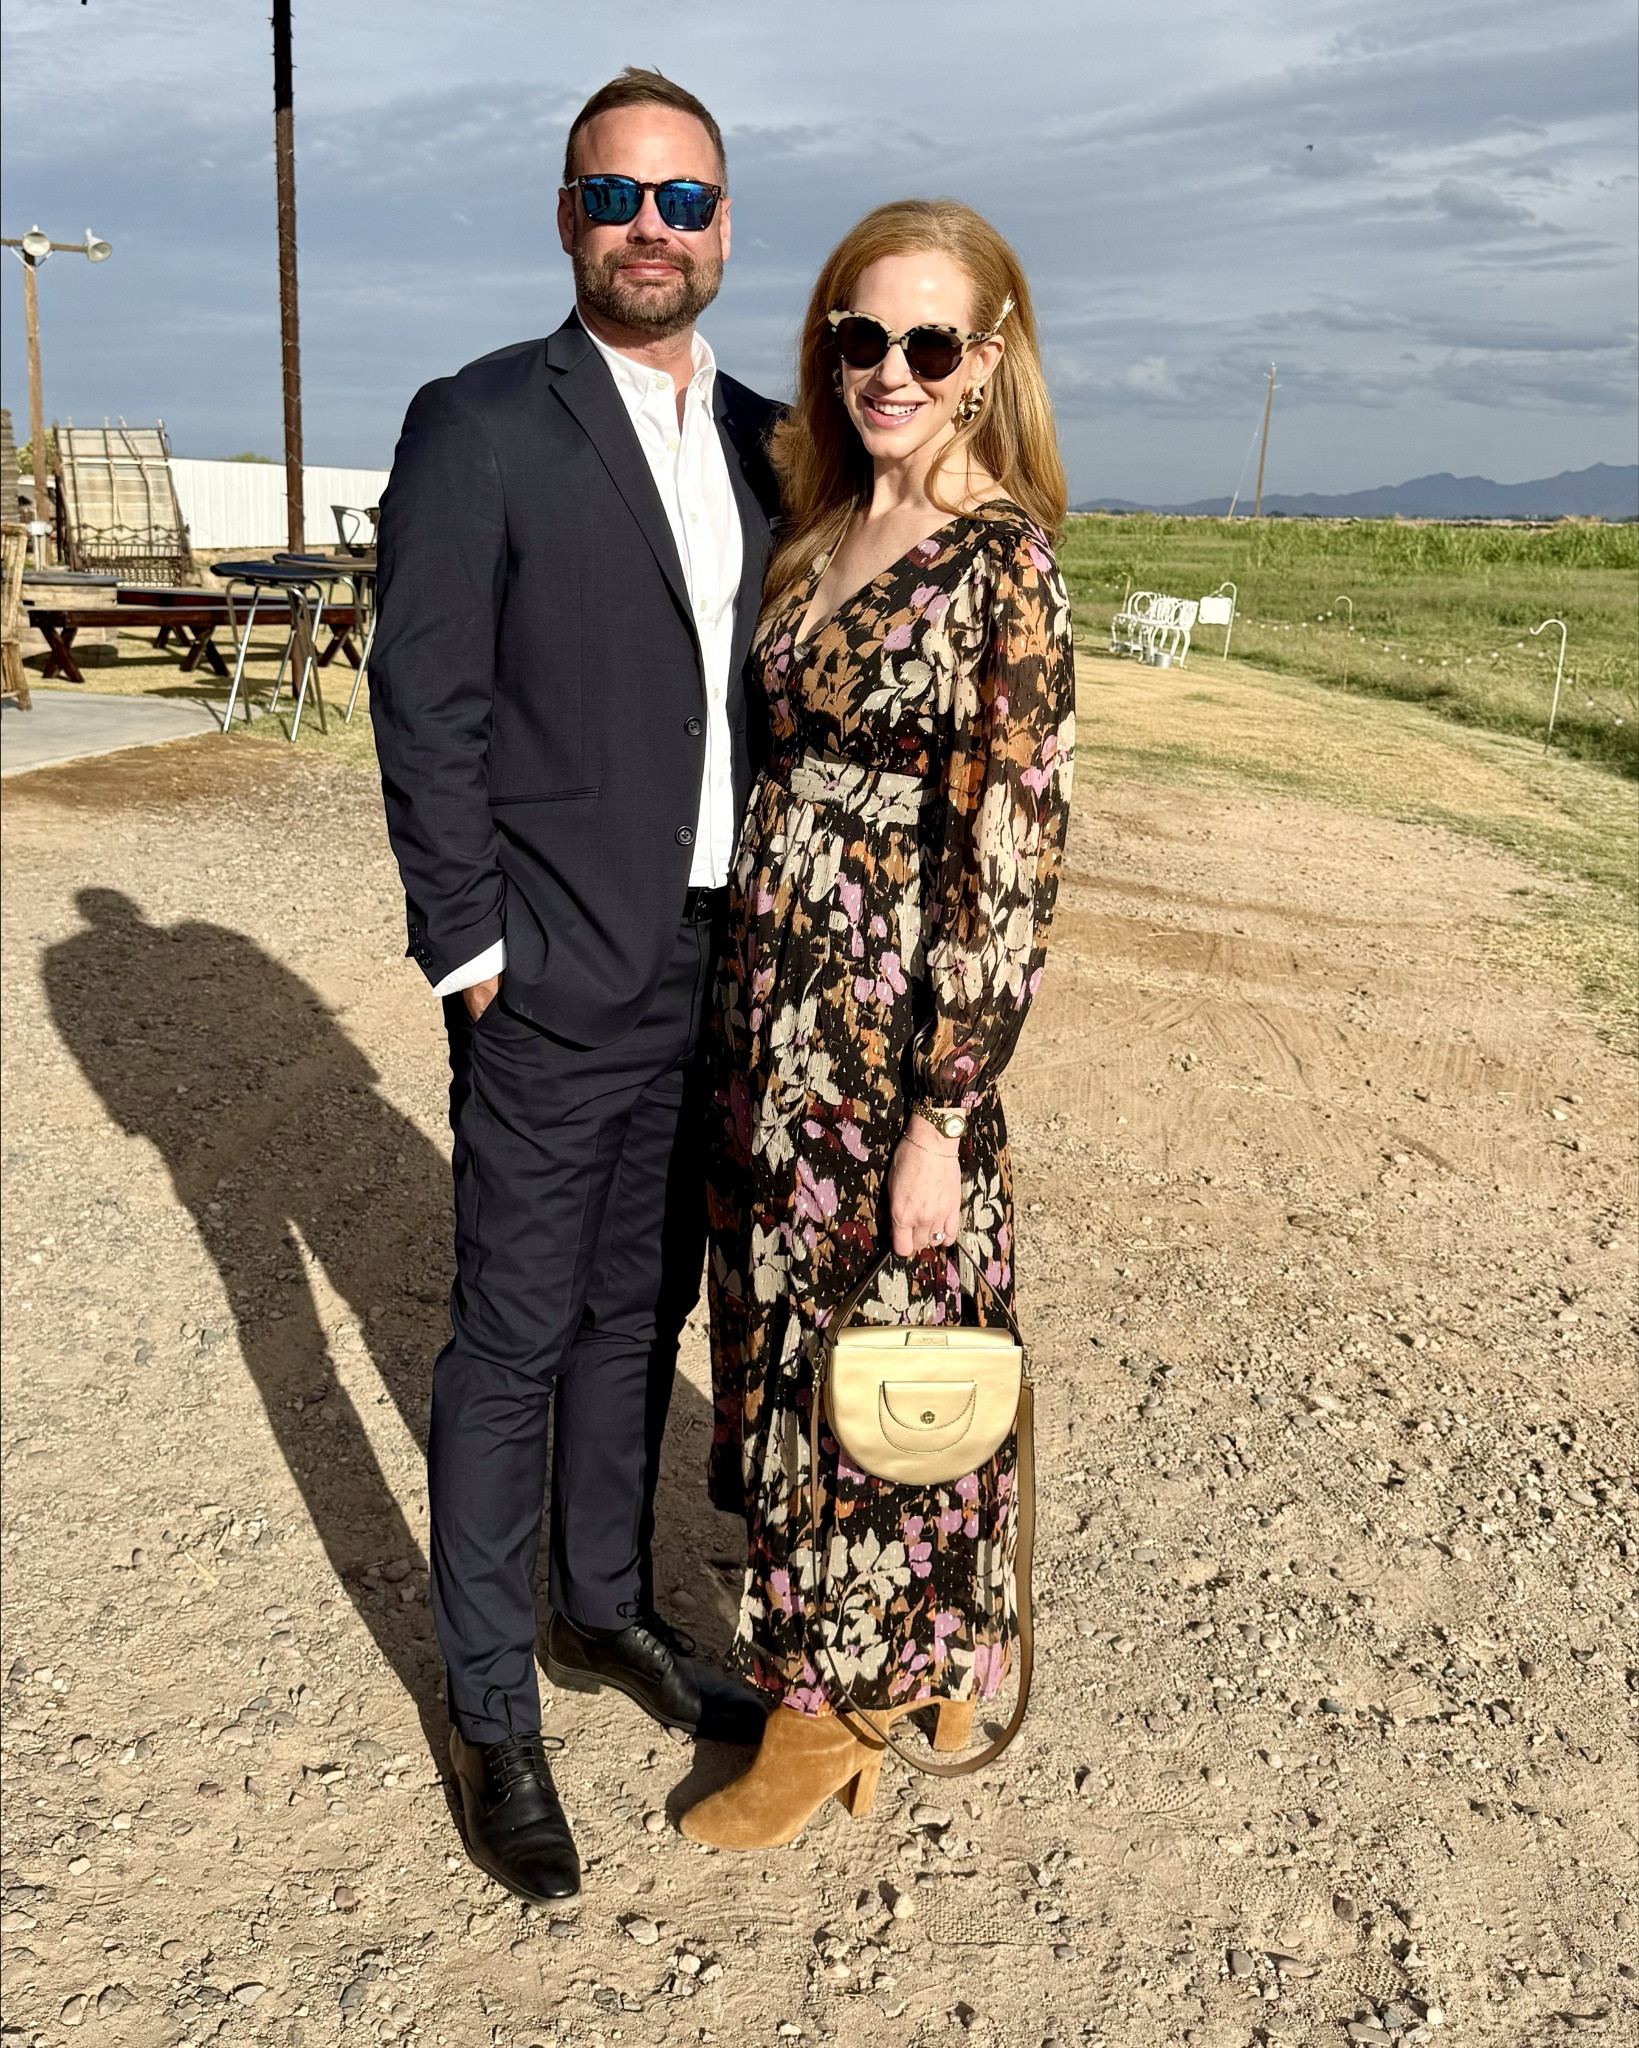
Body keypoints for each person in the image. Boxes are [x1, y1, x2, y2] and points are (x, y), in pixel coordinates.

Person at [370, 68, 781, 1904]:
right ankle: (487, 1706)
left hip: (714, 974)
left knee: (639, 1315)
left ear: (721, 228)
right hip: (544, 978)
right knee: (515, 1336)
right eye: (616, 195)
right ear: (565, 216)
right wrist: (472, 958)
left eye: (683, 201)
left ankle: (600, 1613)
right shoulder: (482, 424)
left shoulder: (778, 441)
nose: (649, 228)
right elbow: (426, 706)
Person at [680, 200, 1075, 1849]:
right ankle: (928, 1659)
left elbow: (1014, 849)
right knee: (798, 1346)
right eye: (860, 336)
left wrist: (942, 1109)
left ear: (987, 363)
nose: (888, 372)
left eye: (928, 343)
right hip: (775, 1009)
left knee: (885, 1349)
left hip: (889, 1033)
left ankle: (825, 1709)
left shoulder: (1006, 562)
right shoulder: (820, 522)